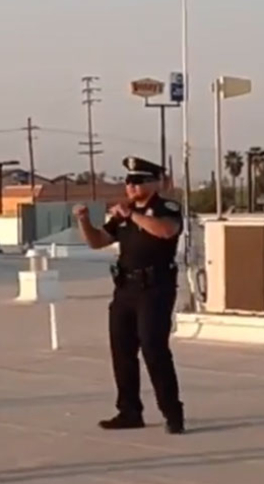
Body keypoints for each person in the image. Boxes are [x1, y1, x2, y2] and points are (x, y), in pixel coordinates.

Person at [73, 156, 187, 434]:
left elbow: (166, 231)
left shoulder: (165, 207)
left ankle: (172, 411)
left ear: (154, 182)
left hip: (155, 288)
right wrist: (84, 221)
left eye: (138, 181)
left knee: (153, 348)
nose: (131, 187)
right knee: (122, 350)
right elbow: (99, 241)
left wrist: (133, 215)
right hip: (125, 288)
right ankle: (129, 411)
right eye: (128, 181)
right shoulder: (121, 214)